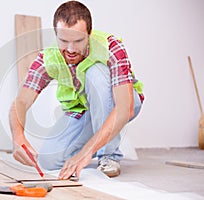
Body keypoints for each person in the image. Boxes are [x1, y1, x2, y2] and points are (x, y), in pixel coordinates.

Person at [9, 0, 144, 179]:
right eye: (64, 41)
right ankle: (101, 140)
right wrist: (17, 137)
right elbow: (20, 102)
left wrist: (86, 152)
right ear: (56, 35)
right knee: (49, 161)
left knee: (95, 72)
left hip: (124, 101)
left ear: (89, 34)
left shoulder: (110, 47)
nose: (71, 49)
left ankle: (108, 155)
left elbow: (124, 107)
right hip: (84, 110)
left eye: (78, 41)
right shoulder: (48, 58)